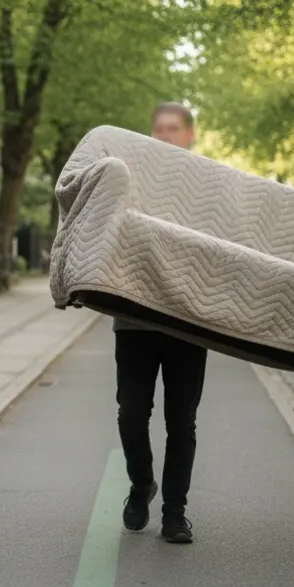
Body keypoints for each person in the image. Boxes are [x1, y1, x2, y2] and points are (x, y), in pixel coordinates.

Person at [117, 101, 208, 544]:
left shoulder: (210, 185)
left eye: (173, 129)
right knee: (131, 413)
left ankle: (175, 512)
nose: (164, 136)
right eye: (158, 130)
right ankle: (141, 484)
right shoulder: (131, 179)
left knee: (181, 420)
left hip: (188, 321)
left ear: (190, 135)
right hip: (134, 318)